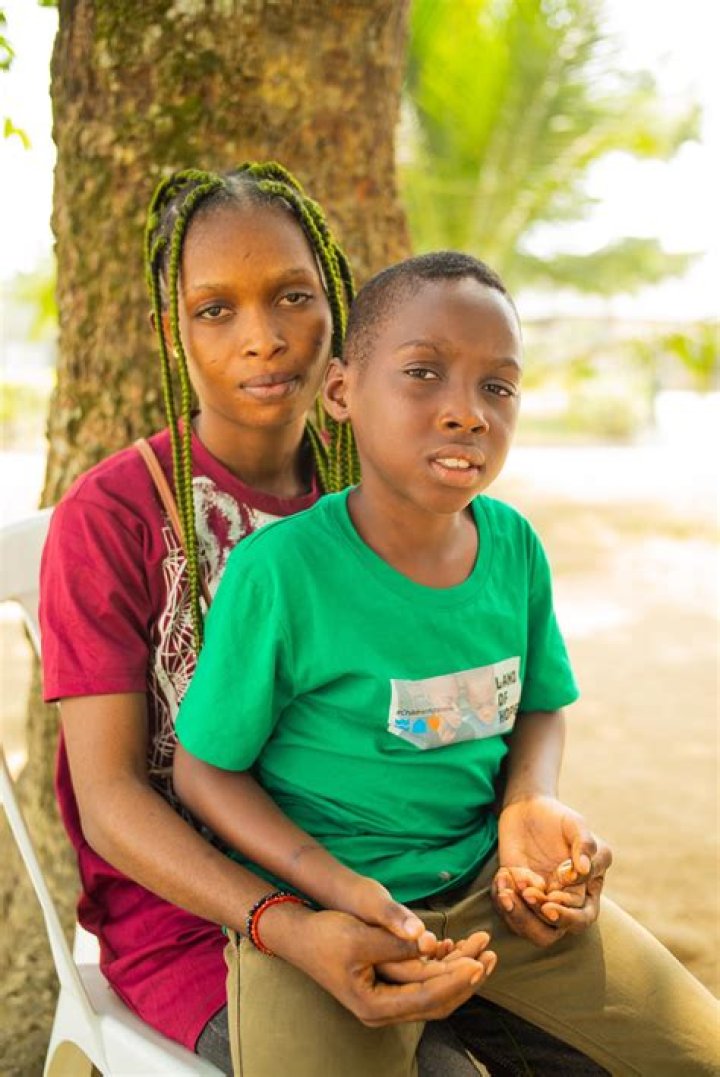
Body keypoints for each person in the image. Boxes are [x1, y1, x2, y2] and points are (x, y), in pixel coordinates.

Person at [39, 165, 595, 1077]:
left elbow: (480, 698)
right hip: (195, 911)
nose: (261, 338)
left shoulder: (382, 485)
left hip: (399, 873)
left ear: (335, 311)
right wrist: (284, 923)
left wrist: (520, 820)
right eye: (215, 309)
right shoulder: (114, 519)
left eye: (292, 296)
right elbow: (109, 801)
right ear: (170, 331)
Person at [174, 251, 720, 1077]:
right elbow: (205, 772)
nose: (466, 413)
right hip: (324, 915)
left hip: (492, 891)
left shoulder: (513, 549)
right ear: (342, 393)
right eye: (424, 373)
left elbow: (539, 702)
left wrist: (530, 802)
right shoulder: (282, 575)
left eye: (497, 387)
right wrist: (327, 888)